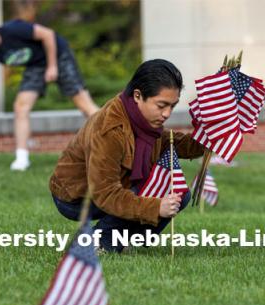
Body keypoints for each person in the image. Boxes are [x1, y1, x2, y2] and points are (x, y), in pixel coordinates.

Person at [49, 59, 207, 253]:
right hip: (76, 198)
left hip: (112, 188)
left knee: (178, 193)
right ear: (138, 95)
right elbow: (105, 193)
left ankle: (127, 241)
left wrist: (214, 134)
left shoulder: (143, 119)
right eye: (161, 105)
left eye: (172, 106)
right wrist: (154, 207)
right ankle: (97, 243)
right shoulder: (110, 129)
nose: (167, 113)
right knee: (154, 196)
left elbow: (179, 144)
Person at [0, 18, 98, 171]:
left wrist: (52, 66)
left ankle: (116, 139)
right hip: (35, 65)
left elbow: (48, 34)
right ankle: (22, 158)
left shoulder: (13, 30)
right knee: (20, 107)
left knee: (84, 105)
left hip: (58, 55)